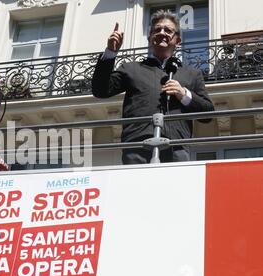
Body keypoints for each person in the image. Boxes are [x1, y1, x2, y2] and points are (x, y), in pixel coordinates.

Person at [92, 10, 214, 164]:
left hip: (177, 147)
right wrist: (110, 52)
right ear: (150, 38)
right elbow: (100, 90)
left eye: (168, 30)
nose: (162, 33)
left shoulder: (192, 74)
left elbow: (208, 114)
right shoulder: (131, 69)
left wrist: (184, 94)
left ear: (178, 40)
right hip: (137, 146)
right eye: (157, 30)